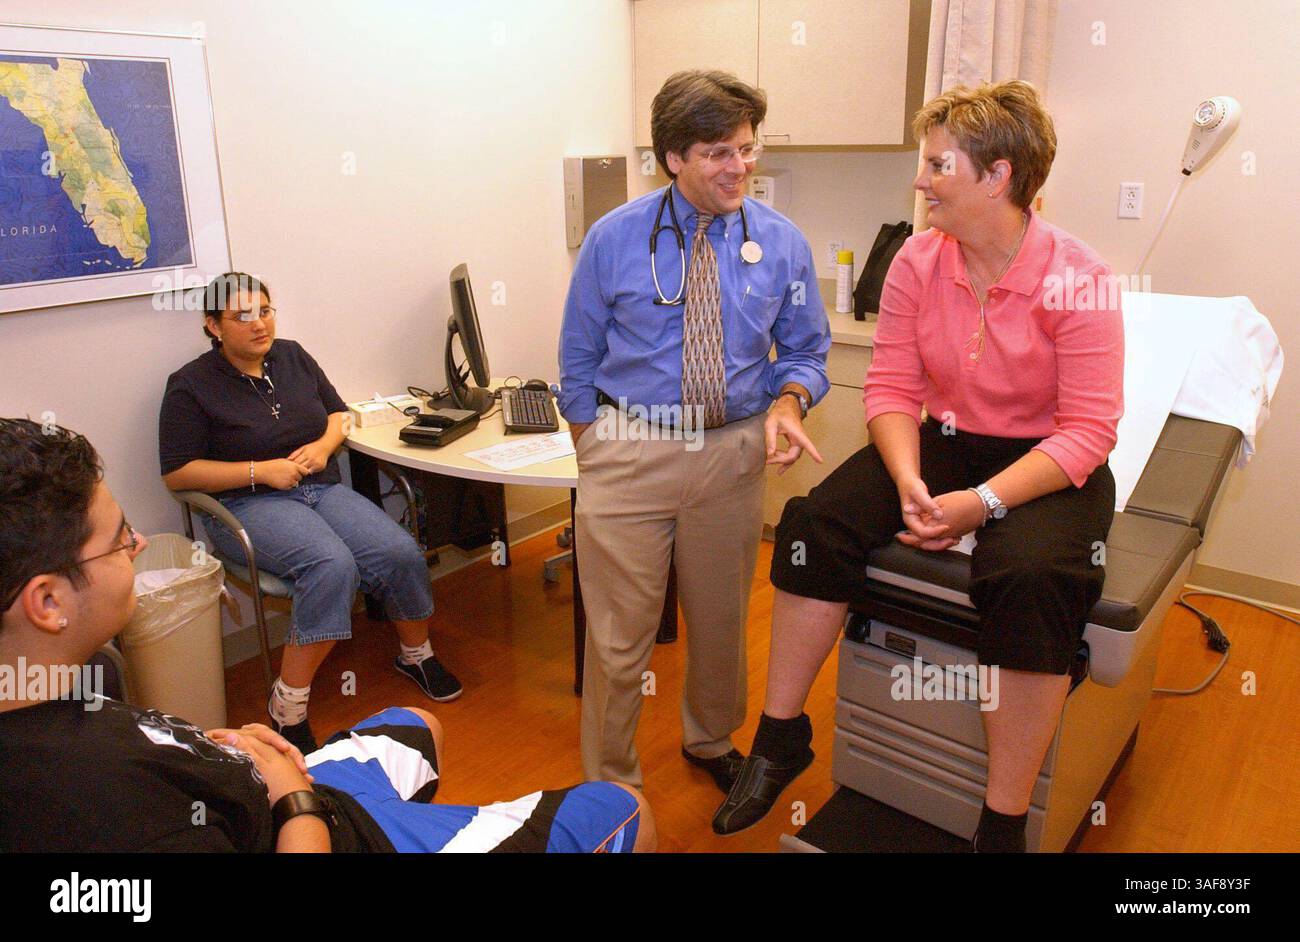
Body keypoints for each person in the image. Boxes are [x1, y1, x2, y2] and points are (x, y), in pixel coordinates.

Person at [712, 80, 1123, 850]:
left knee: (1032, 579)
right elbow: (894, 387)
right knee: (814, 525)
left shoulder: (1079, 276)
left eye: (937, 165)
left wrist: (981, 505)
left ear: (997, 176)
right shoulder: (918, 260)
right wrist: (907, 478)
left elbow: (1089, 431)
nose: (920, 180)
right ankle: (778, 738)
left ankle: (1002, 821)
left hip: (1045, 462)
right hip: (940, 438)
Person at [0, 417, 654, 853]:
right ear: (49, 601)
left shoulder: (60, 690)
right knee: (627, 808)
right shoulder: (96, 805)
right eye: (119, 540)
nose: (138, 544)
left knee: (418, 722)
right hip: (312, 822)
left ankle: (411, 667)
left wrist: (216, 748)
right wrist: (296, 803)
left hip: (267, 783)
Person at [557, 70, 830, 792]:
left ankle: (710, 740)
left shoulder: (782, 243)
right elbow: (578, 358)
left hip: (731, 453)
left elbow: (805, 349)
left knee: (720, 623)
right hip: (631, 448)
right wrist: (598, 444)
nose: (739, 166)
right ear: (673, 156)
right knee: (618, 641)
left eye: (746, 147)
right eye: (717, 152)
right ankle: (612, 784)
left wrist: (789, 401)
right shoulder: (614, 239)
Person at [158, 272, 461, 754]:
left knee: (399, 552)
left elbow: (338, 414)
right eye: (242, 316)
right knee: (331, 565)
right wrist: (260, 472)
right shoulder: (191, 385)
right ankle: (288, 705)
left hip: (317, 487)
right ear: (213, 326)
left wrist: (322, 448)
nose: (260, 325)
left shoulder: (293, 356)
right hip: (248, 502)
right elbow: (178, 474)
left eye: (266, 310)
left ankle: (415, 654)